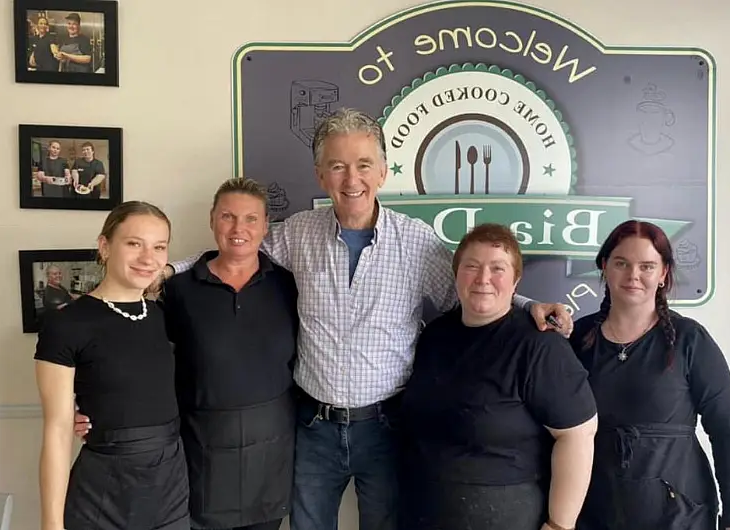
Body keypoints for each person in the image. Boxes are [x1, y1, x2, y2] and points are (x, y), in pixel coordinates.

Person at [154, 108, 572, 530]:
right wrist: (170, 270)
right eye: (337, 166)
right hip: (313, 427)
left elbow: (472, 290)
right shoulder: (298, 233)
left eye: (363, 165)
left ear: (383, 173)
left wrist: (524, 304)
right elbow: (236, 250)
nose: (351, 180)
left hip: (388, 427)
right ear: (320, 175)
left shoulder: (416, 241)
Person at [399, 223, 598, 530]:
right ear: (456, 276)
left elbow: (577, 435)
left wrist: (560, 525)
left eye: (497, 268)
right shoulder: (435, 336)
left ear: (516, 281)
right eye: (472, 266)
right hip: (423, 511)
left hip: (506, 514)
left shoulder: (539, 345)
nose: (483, 278)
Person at [569, 220, 730, 530]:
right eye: (621, 263)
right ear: (604, 266)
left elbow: (729, 430)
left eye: (647, 266)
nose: (633, 275)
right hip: (592, 513)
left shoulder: (690, 340)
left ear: (663, 273)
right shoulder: (577, 339)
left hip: (679, 516)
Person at [35, 201, 190, 530]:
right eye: (134, 243)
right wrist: (51, 524)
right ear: (105, 247)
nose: (148, 258)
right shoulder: (67, 324)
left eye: (159, 247)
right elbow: (59, 430)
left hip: (171, 484)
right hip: (103, 488)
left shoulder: (164, 316)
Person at [160, 178, 299, 530]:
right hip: (201, 460)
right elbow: (145, 363)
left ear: (266, 225)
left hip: (271, 460)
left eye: (251, 219)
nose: (239, 228)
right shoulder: (177, 290)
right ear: (211, 220)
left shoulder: (290, 285)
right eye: (227, 217)